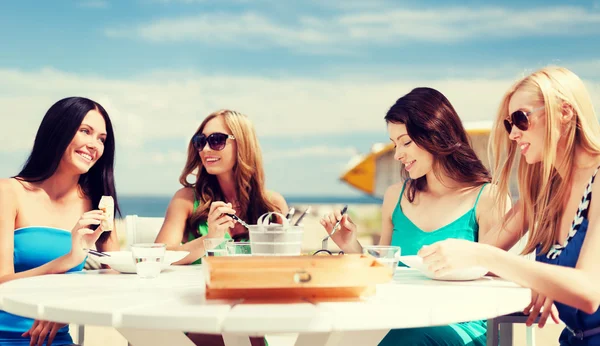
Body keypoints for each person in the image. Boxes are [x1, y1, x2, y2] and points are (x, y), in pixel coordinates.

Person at [419, 66, 600, 345]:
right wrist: (550, 279)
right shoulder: (547, 188)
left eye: (521, 119)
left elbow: (588, 292)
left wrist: (548, 280)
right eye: (509, 124)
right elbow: (479, 259)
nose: (514, 133)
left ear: (565, 112)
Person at [321, 87, 509, 346]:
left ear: (437, 134)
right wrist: (350, 245)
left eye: (406, 142)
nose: (398, 154)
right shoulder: (395, 197)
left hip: (463, 327)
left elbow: (496, 276)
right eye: (394, 143)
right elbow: (383, 272)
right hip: (402, 321)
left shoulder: (488, 198)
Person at [155, 109, 288, 346]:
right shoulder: (186, 199)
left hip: (250, 318)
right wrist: (211, 240)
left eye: (216, 140)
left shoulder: (272, 205)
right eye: (200, 141)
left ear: (243, 145)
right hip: (197, 316)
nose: (205, 149)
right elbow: (156, 257)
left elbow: (283, 270)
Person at [0, 97, 121, 346]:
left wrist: (63, 306)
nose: (94, 145)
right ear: (58, 131)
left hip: (58, 340)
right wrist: (69, 260)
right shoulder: (9, 192)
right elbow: (1, 282)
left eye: (101, 139)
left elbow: (117, 277)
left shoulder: (96, 204)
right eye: (85, 131)